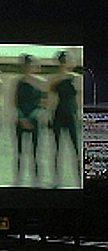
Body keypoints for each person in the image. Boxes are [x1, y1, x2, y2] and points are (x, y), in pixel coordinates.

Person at [49, 51, 81, 188]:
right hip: (59, 113)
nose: (64, 63)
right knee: (57, 148)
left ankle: (79, 180)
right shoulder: (54, 79)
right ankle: (57, 180)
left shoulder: (76, 78)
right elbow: (51, 98)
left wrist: (80, 112)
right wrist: (49, 114)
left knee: (76, 148)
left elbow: (80, 97)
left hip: (72, 113)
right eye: (63, 61)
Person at [13, 54, 46, 186]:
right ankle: (19, 180)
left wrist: (32, 117)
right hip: (21, 118)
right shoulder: (18, 81)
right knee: (19, 151)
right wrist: (21, 118)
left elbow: (43, 102)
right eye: (27, 65)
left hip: (35, 119)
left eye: (31, 65)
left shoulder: (41, 82)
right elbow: (14, 101)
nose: (29, 67)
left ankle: (36, 181)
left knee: (36, 152)